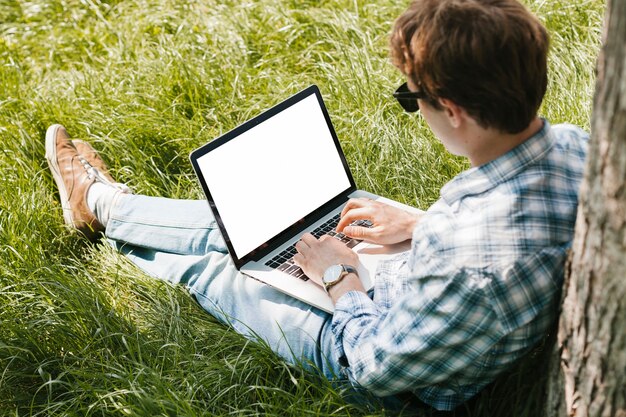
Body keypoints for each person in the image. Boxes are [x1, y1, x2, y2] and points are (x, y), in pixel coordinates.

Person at [44, 0, 589, 412]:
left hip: (399, 365)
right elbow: (507, 245)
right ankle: (105, 205)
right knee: (255, 231)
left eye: (411, 97)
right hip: (444, 308)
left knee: (230, 267)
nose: (412, 108)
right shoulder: (580, 149)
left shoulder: (465, 258)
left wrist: (339, 279)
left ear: (451, 110)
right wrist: (425, 225)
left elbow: (376, 367)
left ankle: (102, 206)